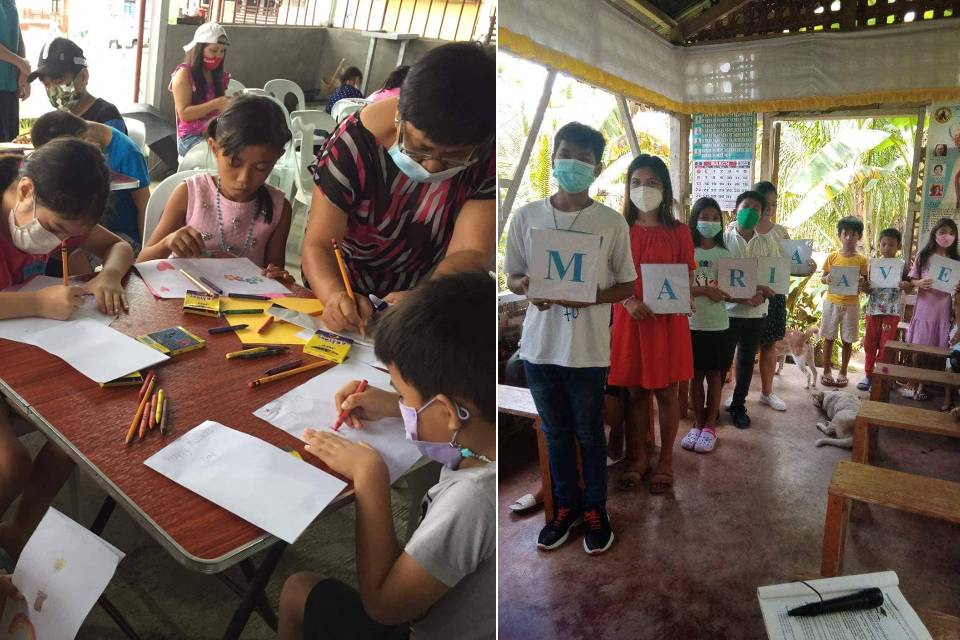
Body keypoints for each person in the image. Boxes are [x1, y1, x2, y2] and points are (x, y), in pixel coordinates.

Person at [278, 271, 496, 640]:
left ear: (446, 411)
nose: (402, 402)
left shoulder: (472, 501)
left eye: (402, 392)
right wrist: (398, 406)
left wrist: (369, 478)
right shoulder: (488, 445)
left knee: (296, 590)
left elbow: (384, 607)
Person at [303, 42, 495, 335]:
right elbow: (319, 244)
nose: (432, 167)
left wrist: (424, 299)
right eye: (420, 147)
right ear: (400, 113)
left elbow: (471, 250)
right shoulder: (352, 144)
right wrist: (333, 296)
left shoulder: (487, 155)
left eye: (454, 156)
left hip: (416, 290)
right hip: (338, 280)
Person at [505, 122, 635, 553]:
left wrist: (590, 296)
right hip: (539, 349)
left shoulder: (611, 223)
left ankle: (596, 508)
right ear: (554, 158)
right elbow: (515, 274)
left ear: (596, 168)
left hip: (588, 351)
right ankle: (565, 508)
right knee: (555, 434)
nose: (573, 163)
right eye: (566, 154)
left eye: (584, 158)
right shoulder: (526, 216)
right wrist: (529, 288)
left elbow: (627, 286)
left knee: (589, 434)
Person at [0, 139, 132, 559]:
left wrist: (108, 276)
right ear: (25, 191)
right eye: (56, 230)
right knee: (11, 464)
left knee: (75, 432)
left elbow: (119, 246)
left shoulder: (65, 210)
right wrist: (36, 302)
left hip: (25, 356)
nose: (59, 243)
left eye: (70, 236)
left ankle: (20, 531)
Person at [139, 96, 293, 283]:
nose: (244, 178)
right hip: (181, 300)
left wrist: (278, 276)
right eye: (234, 163)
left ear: (278, 157)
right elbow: (141, 263)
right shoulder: (189, 194)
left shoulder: (279, 209)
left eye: (261, 168)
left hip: (243, 307)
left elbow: (275, 273)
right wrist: (167, 242)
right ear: (214, 148)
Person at [609, 154, 694, 495]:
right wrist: (628, 302)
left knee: (667, 394)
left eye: (652, 183)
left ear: (665, 188)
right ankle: (639, 459)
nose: (643, 189)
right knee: (635, 394)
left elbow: (688, 273)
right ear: (628, 188)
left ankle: (666, 462)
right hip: (630, 321)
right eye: (636, 183)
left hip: (667, 323)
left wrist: (683, 296)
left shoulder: (680, 232)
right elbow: (608, 277)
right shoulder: (618, 229)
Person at [30, 110, 150, 252]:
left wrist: (146, 251)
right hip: (83, 225)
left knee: (76, 256)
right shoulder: (83, 136)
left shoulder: (128, 154)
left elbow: (145, 206)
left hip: (120, 235)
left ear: (85, 141)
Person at [681, 197, 734, 454]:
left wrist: (755, 292)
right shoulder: (687, 251)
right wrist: (704, 292)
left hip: (718, 325)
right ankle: (696, 424)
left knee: (715, 377)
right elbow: (680, 285)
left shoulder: (725, 253)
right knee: (695, 376)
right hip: (691, 324)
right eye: (704, 216)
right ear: (695, 219)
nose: (709, 222)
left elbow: (731, 288)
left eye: (715, 218)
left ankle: (710, 427)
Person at [722, 191, 775, 428]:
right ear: (735, 210)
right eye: (746, 206)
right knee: (720, 360)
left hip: (756, 313)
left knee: (745, 362)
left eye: (756, 208)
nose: (750, 212)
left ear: (762, 214)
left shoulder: (767, 243)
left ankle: (738, 406)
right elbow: (713, 273)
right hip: (726, 311)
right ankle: (711, 406)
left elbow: (775, 275)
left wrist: (763, 292)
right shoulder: (722, 239)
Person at [907, 218, 960, 407]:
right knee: (918, 345)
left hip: (943, 308)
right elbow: (912, 280)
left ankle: (926, 384)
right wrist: (919, 283)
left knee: (937, 347)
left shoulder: (956, 259)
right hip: (924, 305)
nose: (947, 236)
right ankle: (915, 382)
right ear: (935, 233)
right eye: (943, 231)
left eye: (952, 233)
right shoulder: (924, 255)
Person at [27, 38, 126, 134]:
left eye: (58, 81)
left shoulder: (107, 117)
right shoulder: (58, 123)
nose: (53, 91)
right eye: (47, 84)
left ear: (84, 76)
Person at [857, 228, 912, 392]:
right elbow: (866, 288)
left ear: (898, 247)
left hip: (891, 312)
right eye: (884, 244)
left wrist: (906, 285)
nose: (887, 248)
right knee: (869, 344)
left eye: (891, 245)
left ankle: (880, 377)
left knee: (885, 346)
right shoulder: (873, 264)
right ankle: (868, 375)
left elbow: (909, 287)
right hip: (873, 311)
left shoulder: (902, 266)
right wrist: (863, 286)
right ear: (879, 245)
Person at [820, 216, 869, 388]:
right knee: (828, 337)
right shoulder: (832, 257)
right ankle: (826, 370)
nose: (849, 238)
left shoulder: (862, 260)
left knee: (848, 340)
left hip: (851, 304)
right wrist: (827, 279)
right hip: (832, 302)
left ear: (859, 237)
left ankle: (843, 372)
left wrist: (862, 283)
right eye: (845, 234)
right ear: (839, 235)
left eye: (854, 235)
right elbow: (822, 278)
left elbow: (865, 283)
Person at [170, 22, 231, 156]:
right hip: (190, 137)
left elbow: (222, 110)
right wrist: (217, 103)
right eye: (213, 51)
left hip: (215, 134)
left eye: (222, 51)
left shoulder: (218, 75)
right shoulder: (184, 74)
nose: (218, 56)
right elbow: (184, 114)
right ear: (199, 48)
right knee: (224, 155)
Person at [0, 0, 29, 142]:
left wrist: (23, 73)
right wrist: (20, 62)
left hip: (8, 88)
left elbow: (18, 34)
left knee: (12, 149)